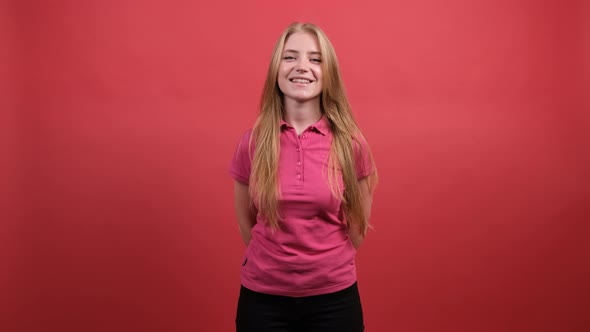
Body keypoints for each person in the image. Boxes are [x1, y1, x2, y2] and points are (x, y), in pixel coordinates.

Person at [229, 22, 377, 332]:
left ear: (329, 72)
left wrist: (321, 269)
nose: (302, 67)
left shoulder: (351, 144)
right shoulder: (252, 143)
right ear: (276, 69)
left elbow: (358, 227)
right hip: (262, 301)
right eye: (290, 57)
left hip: (334, 301)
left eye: (315, 58)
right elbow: (247, 223)